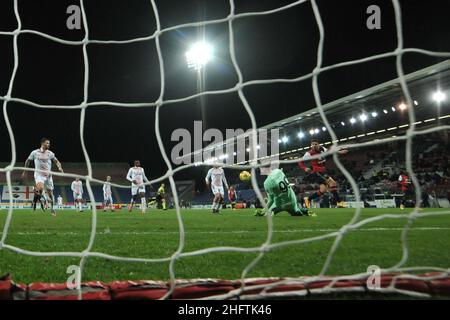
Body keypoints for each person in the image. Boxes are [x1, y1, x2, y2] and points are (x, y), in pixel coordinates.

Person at [298, 139, 347, 208]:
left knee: (323, 190)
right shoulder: (309, 153)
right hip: (317, 172)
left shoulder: (322, 149)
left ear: (318, 144)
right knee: (333, 183)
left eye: (316, 144)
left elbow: (330, 151)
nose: (314, 145)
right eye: (313, 144)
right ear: (311, 146)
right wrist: (305, 168)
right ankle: (340, 204)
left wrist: (339, 152)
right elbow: (300, 161)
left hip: (323, 171)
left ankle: (308, 199)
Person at [21, 138, 64, 216]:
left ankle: (52, 208)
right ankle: (40, 198)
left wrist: (60, 167)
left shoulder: (50, 153)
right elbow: (28, 161)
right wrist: (25, 171)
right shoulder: (34, 152)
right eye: (47, 143)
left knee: (51, 195)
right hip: (39, 175)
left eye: (49, 143)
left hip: (48, 176)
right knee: (40, 188)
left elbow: (56, 161)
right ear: (42, 143)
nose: (49, 144)